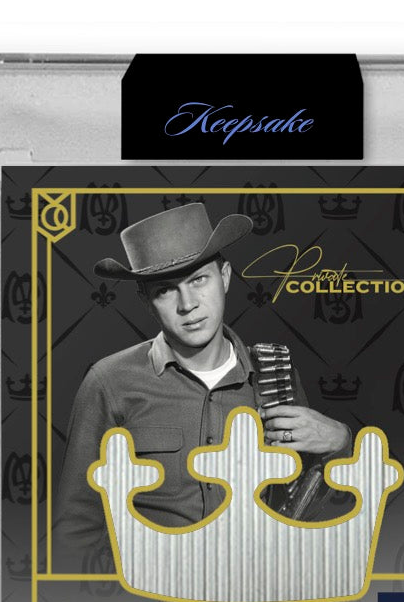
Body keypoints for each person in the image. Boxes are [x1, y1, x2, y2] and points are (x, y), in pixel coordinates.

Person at [54, 202, 350, 570]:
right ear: (146, 300)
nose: (188, 304)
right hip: (150, 593)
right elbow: (76, 529)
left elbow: (307, 503)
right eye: (166, 290)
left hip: (253, 586)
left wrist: (341, 442)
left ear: (224, 277)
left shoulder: (274, 373)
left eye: (199, 280)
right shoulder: (109, 381)